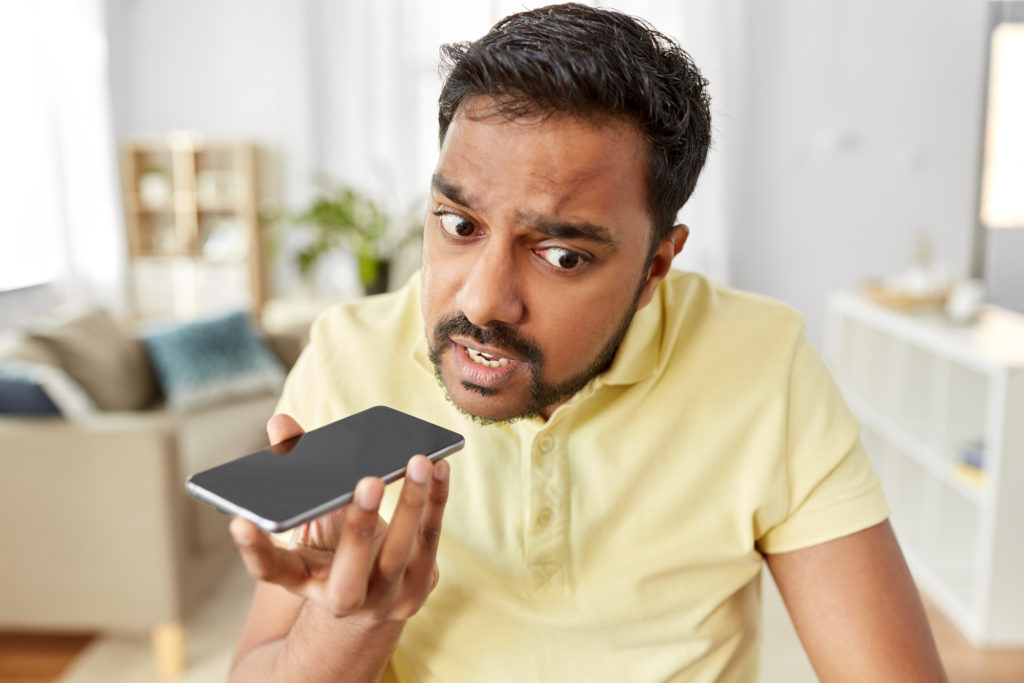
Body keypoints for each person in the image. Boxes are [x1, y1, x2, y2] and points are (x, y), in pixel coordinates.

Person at [227, 4, 948, 681]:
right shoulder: (348, 355)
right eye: (459, 224)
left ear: (655, 267)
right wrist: (350, 623)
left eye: (562, 255)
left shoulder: (763, 363)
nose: (480, 299)